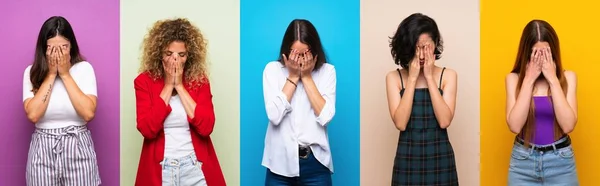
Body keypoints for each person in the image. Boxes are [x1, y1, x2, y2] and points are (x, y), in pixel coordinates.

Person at [134, 18, 226, 186]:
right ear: (159, 53)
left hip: (195, 166)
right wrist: (169, 85)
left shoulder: (199, 81)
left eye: (181, 55)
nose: (174, 60)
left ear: (188, 56)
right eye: (169, 54)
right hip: (160, 168)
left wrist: (180, 86)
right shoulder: (143, 81)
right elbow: (147, 129)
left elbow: (206, 128)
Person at [23, 16, 101, 186]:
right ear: (43, 48)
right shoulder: (31, 73)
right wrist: (51, 74)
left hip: (78, 146)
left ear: (71, 45)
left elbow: (88, 113)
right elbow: (33, 115)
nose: (58, 53)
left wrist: (64, 74)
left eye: (63, 47)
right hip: (42, 149)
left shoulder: (84, 69)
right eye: (51, 48)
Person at [385, 13, 459, 185]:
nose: (422, 53)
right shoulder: (394, 78)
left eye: (427, 47)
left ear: (435, 45)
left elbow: (444, 121)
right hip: (407, 158)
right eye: (417, 48)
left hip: (440, 158)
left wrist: (429, 78)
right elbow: (401, 123)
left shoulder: (448, 76)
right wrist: (411, 79)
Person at [262, 19, 336, 186]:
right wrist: (294, 76)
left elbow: (326, 116)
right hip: (279, 165)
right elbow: (274, 116)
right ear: (286, 52)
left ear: (314, 51)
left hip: (316, 165)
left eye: (304, 54)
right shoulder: (272, 70)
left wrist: (307, 77)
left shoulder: (327, 72)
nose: (300, 60)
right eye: (295, 54)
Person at [505, 20, 578, 185]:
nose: (540, 58)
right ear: (526, 53)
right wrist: (529, 79)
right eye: (535, 53)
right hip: (523, 161)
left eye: (545, 53)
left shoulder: (568, 78)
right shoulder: (513, 79)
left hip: (561, 161)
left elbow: (568, 126)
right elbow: (514, 126)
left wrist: (553, 79)